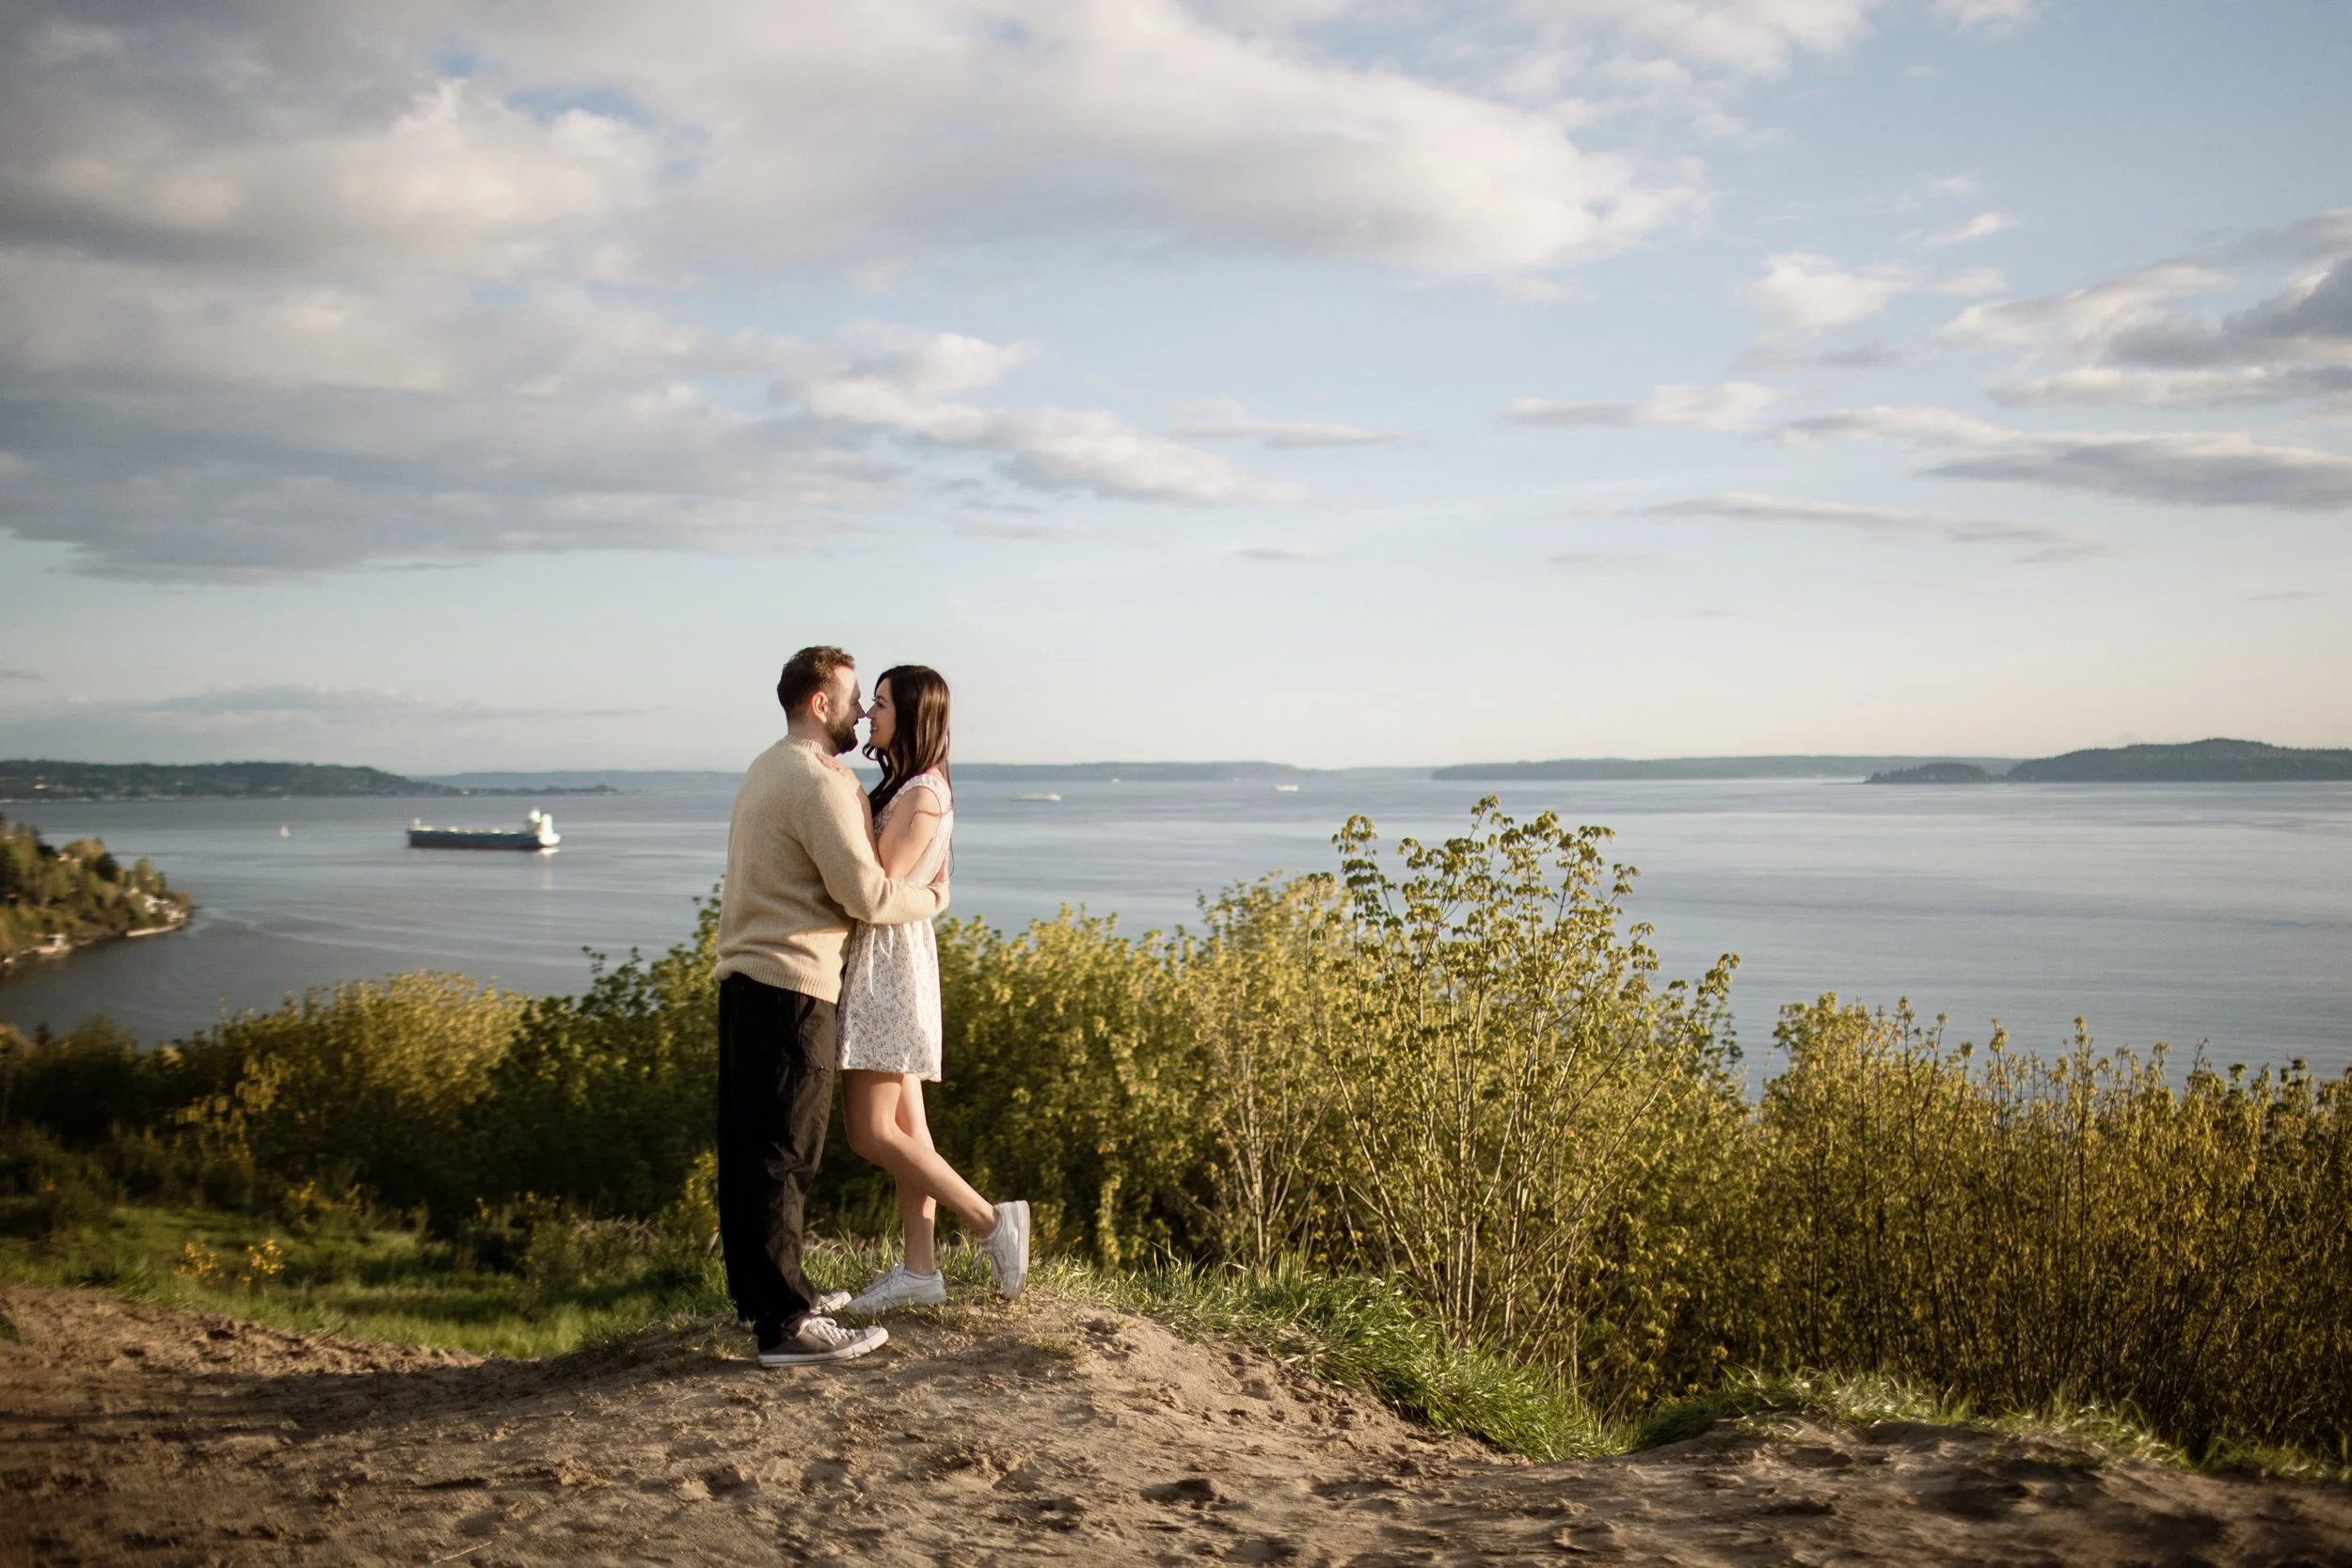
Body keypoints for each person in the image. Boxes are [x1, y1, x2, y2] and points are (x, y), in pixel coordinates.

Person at [713, 645, 951, 1368]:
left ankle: (775, 1298)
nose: (858, 714)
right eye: (853, 699)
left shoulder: (766, 765)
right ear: (820, 703)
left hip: (747, 979)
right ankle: (785, 1323)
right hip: (790, 984)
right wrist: (935, 898)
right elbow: (868, 895)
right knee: (784, 1155)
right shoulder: (818, 780)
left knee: (753, 1151)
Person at [835, 665, 1030, 1317]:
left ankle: (988, 1221)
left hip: (888, 968)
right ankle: (920, 1270)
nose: (868, 714)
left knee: (868, 1132)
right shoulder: (912, 786)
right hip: (889, 960)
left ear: (914, 715)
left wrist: (844, 801)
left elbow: (876, 881)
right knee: (908, 1130)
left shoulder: (921, 793)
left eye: (882, 704)